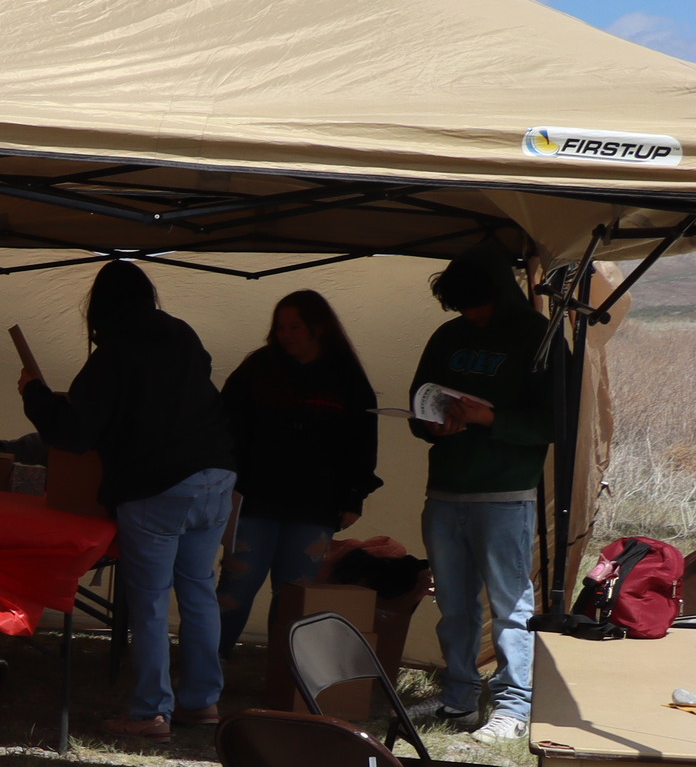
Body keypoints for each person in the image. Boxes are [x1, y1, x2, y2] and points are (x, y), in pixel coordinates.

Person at [17, 259, 236, 741]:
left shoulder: (113, 353)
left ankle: (150, 712)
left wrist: (34, 395)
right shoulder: (181, 333)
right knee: (198, 590)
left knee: (151, 601)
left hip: (157, 486)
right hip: (217, 474)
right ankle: (202, 702)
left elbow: (74, 431)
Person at [407, 241, 550, 741]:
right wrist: (433, 425)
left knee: (511, 604)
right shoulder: (449, 335)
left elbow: (555, 420)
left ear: (501, 294)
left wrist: (491, 418)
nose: (471, 314)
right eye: (462, 306)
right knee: (453, 601)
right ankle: (459, 696)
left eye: (478, 304)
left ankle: (513, 706)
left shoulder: (539, 336)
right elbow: (419, 400)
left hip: (505, 492)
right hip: (446, 487)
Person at [217, 290, 381, 653]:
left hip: (314, 506)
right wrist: (225, 482)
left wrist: (354, 496)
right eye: (280, 327)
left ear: (319, 328)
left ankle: (284, 675)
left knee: (296, 594)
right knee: (236, 587)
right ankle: (209, 664)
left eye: (295, 326)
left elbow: (363, 442)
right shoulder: (258, 368)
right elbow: (224, 426)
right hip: (253, 501)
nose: (286, 334)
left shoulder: (347, 376)